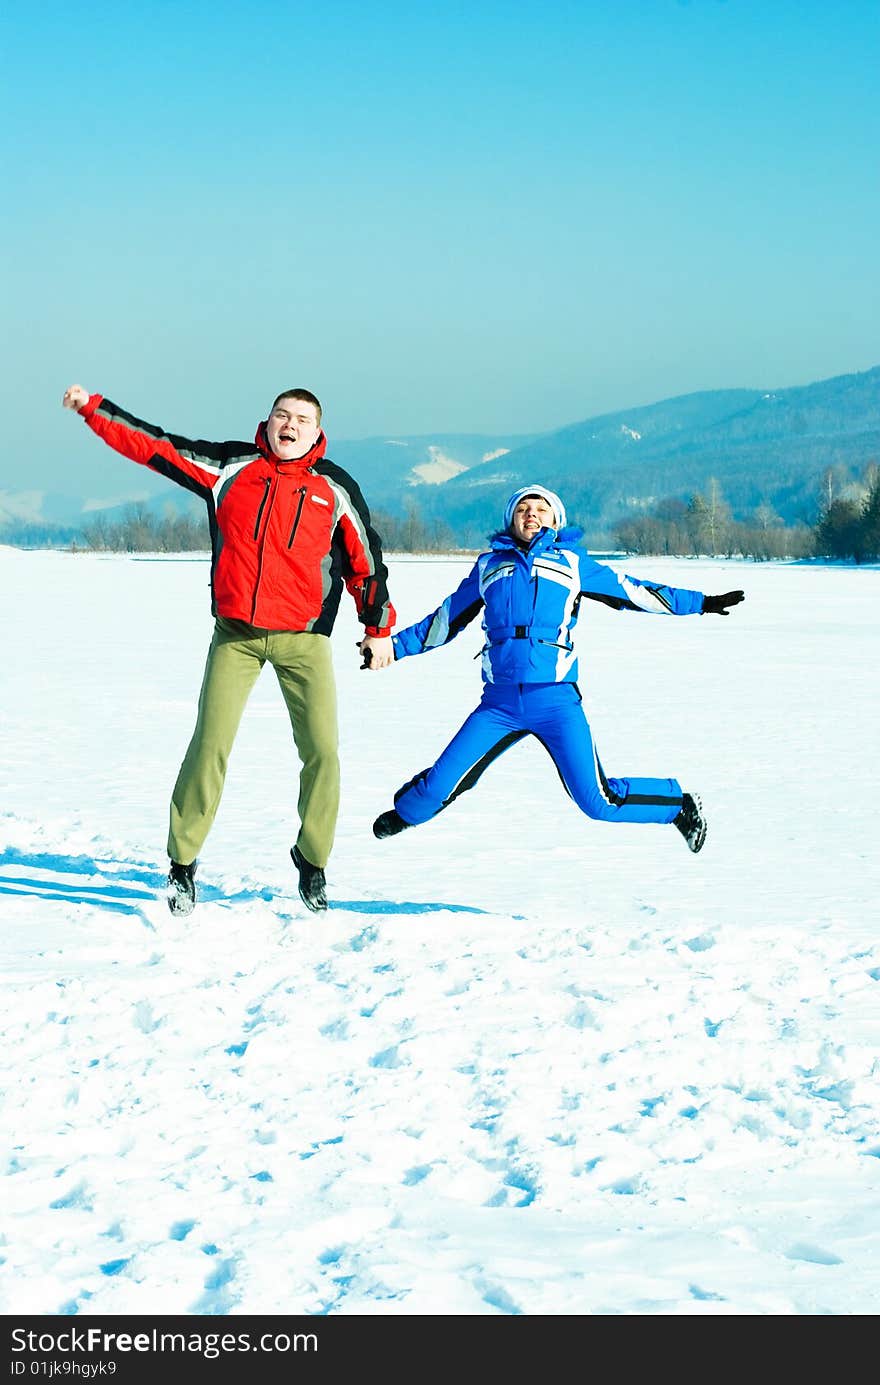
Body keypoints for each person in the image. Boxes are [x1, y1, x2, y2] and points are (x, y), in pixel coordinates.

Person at [62, 383, 396, 915]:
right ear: (266, 421)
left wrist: (377, 628)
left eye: (301, 420)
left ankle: (312, 862)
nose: (289, 424)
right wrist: (95, 411)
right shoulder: (230, 468)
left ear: (317, 433)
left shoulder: (333, 488)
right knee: (209, 745)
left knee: (323, 752)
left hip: (304, 641)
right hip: (235, 637)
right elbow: (157, 446)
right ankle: (182, 865)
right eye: (281, 414)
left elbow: (366, 561)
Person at [360, 485, 744, 853]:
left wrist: (702, 602)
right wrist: (391, 647)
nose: (532, 515)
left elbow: (637, 592)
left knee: (599, 802)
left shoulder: (573, 564)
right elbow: (442, 622)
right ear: (512, 520)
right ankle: (407, 814)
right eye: (523, 510)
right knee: (434, 789)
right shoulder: (489, 566)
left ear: (555, 520)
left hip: (556, 702)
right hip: (499, 707)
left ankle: (676, 805)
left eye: (541, 509)